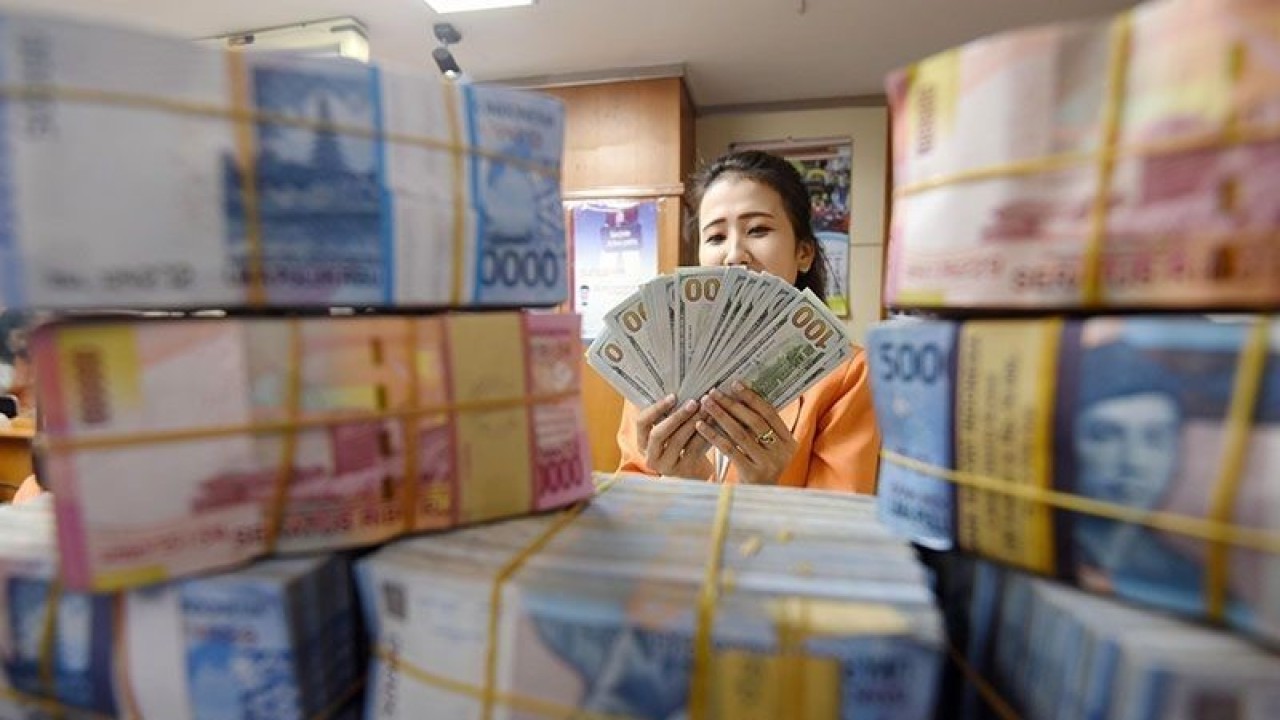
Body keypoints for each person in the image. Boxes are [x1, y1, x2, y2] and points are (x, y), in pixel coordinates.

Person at [616, 150, 880, 492]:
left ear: (804, 253)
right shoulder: (654, 363)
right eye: (715, 237)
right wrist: (678, 484)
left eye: (757, 229)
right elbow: (631, 497)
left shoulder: (848, 375)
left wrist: (767, 488)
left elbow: (839, 526)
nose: (734, 254)